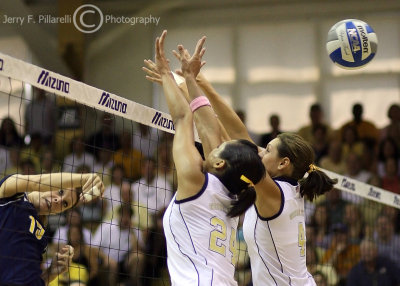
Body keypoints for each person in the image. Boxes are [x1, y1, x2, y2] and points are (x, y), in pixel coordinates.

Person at [143, 30, 266, 285]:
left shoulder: (195, 181)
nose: (211, 147)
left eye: (219, 149)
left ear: (220, 162)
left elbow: (184, 118)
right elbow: (208, 126)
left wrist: (167, 73)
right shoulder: (233, 193)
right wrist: (188, 79)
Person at [0, 172, 104, 285]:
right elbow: (36, 183)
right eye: (60, 191)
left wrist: (51, 273)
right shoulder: (12, 193)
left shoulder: (43, 235)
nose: (58, 201)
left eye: (65, 204)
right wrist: (85, 178)